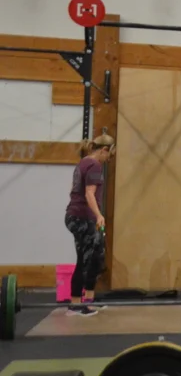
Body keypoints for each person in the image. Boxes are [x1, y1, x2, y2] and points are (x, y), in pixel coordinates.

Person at [64, 133, 115, 315]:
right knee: (85, 260)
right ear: (104, 150)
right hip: (82, 218)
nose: (109, 159)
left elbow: (72, 189)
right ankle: (75, 304)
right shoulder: (94, 165)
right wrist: (99, 215)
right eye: (109, 155)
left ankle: (89, 300)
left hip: (80, 217)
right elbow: (89, 194)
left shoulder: (83, 163)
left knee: (96, 258)